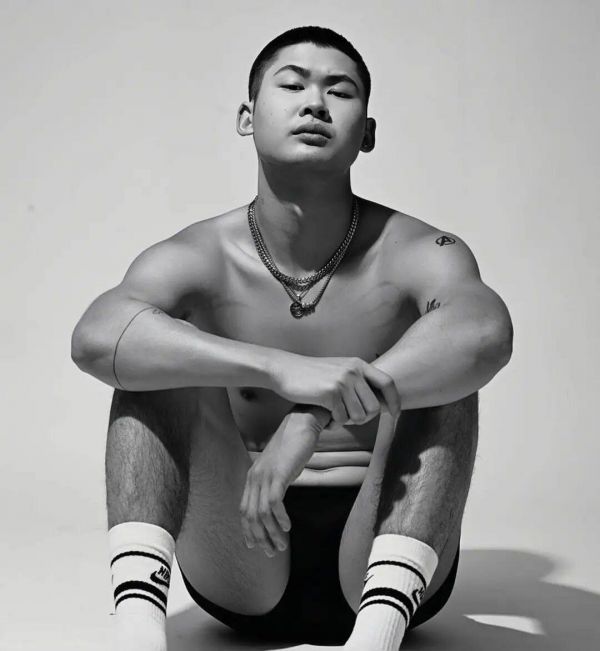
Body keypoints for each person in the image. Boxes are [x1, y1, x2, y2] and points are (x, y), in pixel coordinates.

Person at [71, 25, 513, 651]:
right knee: (153, 353)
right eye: (293, 85)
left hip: (384, 545)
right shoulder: (199, 254)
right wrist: (276, 368)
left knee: (446, 368)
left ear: (367, 133)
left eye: (340, 90)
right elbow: (96, 339)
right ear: (247, 117)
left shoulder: (418, 250)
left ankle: (376, 637)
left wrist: (312, 413)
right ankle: (138, 635)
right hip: (240, 549)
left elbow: (485, 334)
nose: (315, 103)